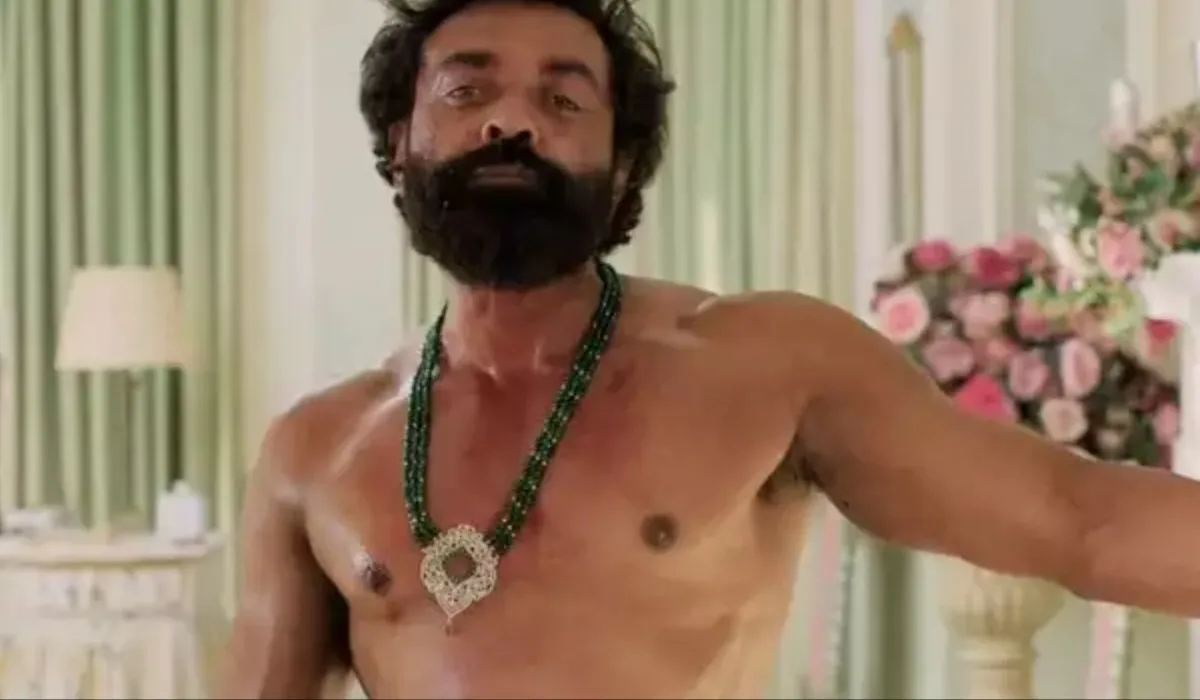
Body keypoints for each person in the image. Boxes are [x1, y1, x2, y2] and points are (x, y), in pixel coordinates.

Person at [219, 0, 1200, 698]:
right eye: (467, 90)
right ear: (401, 142)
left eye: (564, 101)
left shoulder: (765, 365)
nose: (509, 120)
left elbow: (1081, 520)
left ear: (625, 164)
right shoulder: (317, 451)